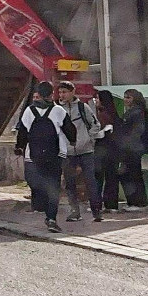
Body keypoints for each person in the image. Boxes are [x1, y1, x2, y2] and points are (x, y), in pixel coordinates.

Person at [14, 81, 77, 232]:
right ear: (51, 94)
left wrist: (19, 147)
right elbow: (70, 131)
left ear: (38, 94)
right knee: (53, 186)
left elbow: (22, 132)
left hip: (34, 156)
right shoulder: (58, 111)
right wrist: (73, 141)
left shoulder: (29, 111)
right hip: (55, 155)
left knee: (37, 182)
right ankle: (51, 218)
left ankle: (40, 205)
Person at [57, 82, 102, 222]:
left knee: (90, 181)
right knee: (70, 183)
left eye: (65, 92)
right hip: (67, 152)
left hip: (85, 150)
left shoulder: (83, 107)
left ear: (72, 92)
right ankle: (75, 211)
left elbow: (95, 124)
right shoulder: (57, 109)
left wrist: (89, 138)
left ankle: (96, 211)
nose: (62, 95)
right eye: (60, 92)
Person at [116, 88, 148, 211]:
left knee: (132, 174)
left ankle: (137, 202)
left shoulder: (136, 113)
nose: (125, 100)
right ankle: (135, 201)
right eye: (125, 97)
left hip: (133, 148)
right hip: (132, 148)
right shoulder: (133, 112)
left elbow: (137, 131)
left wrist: (127, 142)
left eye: (128, 97)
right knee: (130, 174)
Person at [95, 89, 124, 213]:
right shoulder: (113, 114)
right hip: (112, 151)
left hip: (103, 151)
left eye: (97, 98)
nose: (95, 101)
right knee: (111, 178)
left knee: (99, 179)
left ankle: (98, 204)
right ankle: (110, 204)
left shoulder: (103, 115)